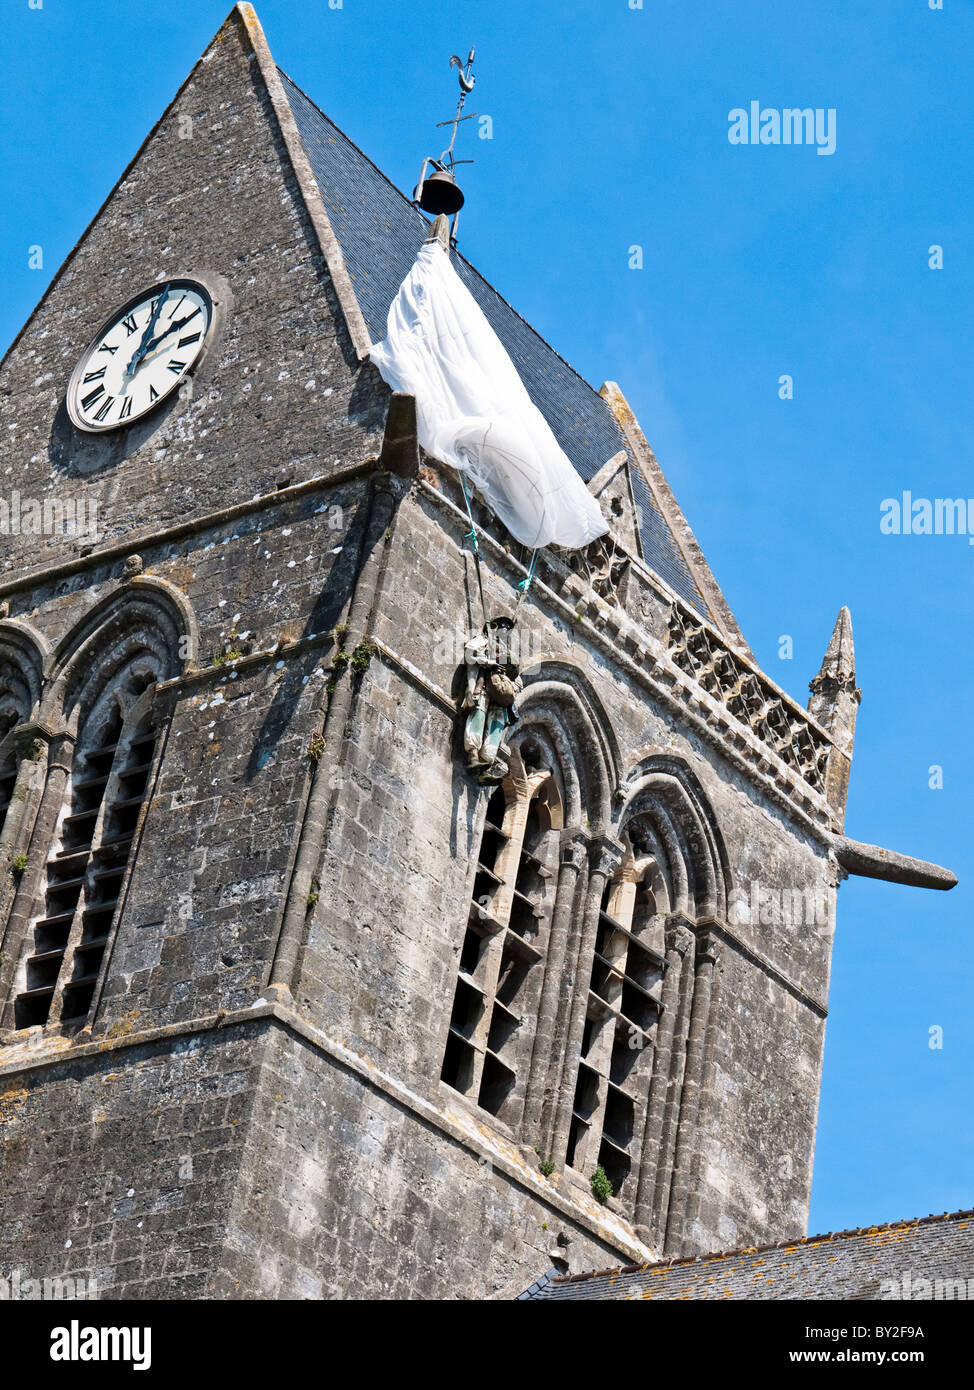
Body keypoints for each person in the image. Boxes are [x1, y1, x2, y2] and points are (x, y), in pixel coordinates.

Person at [462, 615, 523, 785]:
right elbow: (470, 654)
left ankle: (486, 766)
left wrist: (511, 683)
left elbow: (517, 679)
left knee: (496, 724)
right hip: (482, 685)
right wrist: (489, 663)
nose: (505, 630)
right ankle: (473, 755)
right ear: (497, 627)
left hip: (499, 692)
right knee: (478, 715)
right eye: (503, 626)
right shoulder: (485, 640)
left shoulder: (508, 653)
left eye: (508, 628)